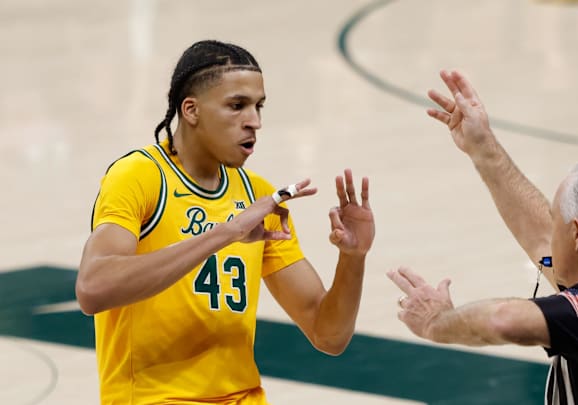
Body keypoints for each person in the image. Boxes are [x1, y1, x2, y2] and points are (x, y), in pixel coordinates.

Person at [76, 40, 375, 405]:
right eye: (237, 106)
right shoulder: (140, 175)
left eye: (258, 106)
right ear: (191, 110)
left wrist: (353, 259)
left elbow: (328, 335)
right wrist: (226, 233)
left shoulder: (259, 195)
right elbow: (92, 289)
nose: (255, 121)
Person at [388, 70, 578, 404]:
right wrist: (483, 148)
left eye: (557, 221)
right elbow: (543, 239)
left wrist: (436, 321)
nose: (550, 232)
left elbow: (504, 320)